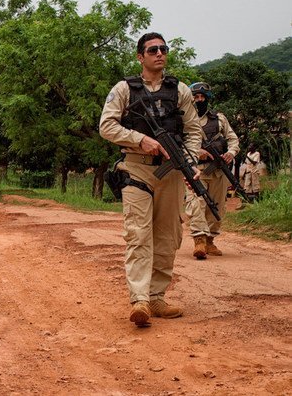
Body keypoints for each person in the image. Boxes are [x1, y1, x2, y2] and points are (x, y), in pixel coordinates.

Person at [99, 32, 203, 328]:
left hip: (170, 171)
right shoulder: (124, 89)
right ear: (140, 56)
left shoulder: (179, 90)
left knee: (168, 235)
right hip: (135, 168)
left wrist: (191, 160)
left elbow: (194, 131)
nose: (160, 53)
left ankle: (157, 297)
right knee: (138, 233)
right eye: (152, 50)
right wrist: (139, 139)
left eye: (163, 49)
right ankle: (140, 300)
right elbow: (106, 126)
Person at [183, 82, 240, 259]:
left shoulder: (219, 118)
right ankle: (199, 240)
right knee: (196, 203)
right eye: (196, 97)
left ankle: (209, 240)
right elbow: (179, 144)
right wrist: (196, 152)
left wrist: (231, 153)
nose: (200, 100)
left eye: (203, 97)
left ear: (208, 99)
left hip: (218, 170)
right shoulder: (185, 119)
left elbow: (232, 138)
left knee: (217, 206)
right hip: (195, 169)